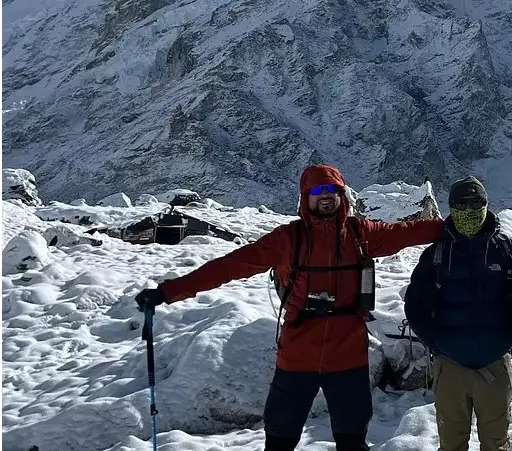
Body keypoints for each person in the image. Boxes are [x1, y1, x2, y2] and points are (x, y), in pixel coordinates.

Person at [133, 165, 443, 451]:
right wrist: (166, 292)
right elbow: (228, 267)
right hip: (298, 357)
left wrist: (456, 226)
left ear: (342, 195)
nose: (325, 196)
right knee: (280, 438)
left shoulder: (361, 235)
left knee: (352, 440)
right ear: (305, 197)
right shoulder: (287, 240)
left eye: (332, 190)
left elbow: (409, 232)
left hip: (348, 356)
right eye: (317, 191)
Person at [404, 176, 512, 451]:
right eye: (462, 204)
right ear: (452, 207)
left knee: (495, 444)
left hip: (494, 364)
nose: (469, 210)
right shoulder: (437, 253)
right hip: (450, 366)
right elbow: (414, 303)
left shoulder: (505, 249)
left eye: (476, 203)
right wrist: (434, 341)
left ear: (486, 205)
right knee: (451, 444)